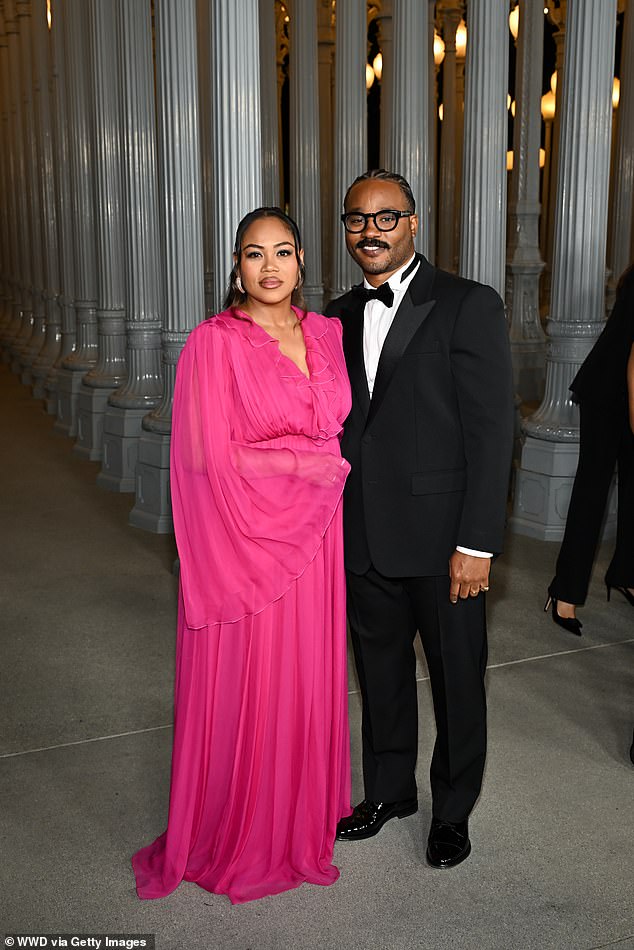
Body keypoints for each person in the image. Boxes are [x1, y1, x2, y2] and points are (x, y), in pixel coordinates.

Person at [132, 208, 352, 904]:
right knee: (252, 679)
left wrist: (318, 472)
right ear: (237, 266)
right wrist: (302, 465)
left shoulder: (327, 332)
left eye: (282, 252)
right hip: (248, 539)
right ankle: (243, 829)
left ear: (302, 261)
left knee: (305, 676)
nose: (270, 267)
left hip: (318, 537)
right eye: (254, 255)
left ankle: (296, 822)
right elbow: (200, 456)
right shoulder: (213, 342)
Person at [324, 169, 514, 869]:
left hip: (446, 544)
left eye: (385, 217)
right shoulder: (336, 316)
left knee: (459, 678)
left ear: (412, 223)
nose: (369, 231)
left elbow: (493, 432)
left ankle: (452, 812)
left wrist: (478, 543)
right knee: (379, 674)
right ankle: (389, 792)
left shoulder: (467, 304)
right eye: (356, 219)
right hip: (363, 534)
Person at [545, 263, 634, 636]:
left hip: (625, 387)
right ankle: (563, 593)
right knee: (592, 492)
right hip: (610, 391)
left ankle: (627, 574)